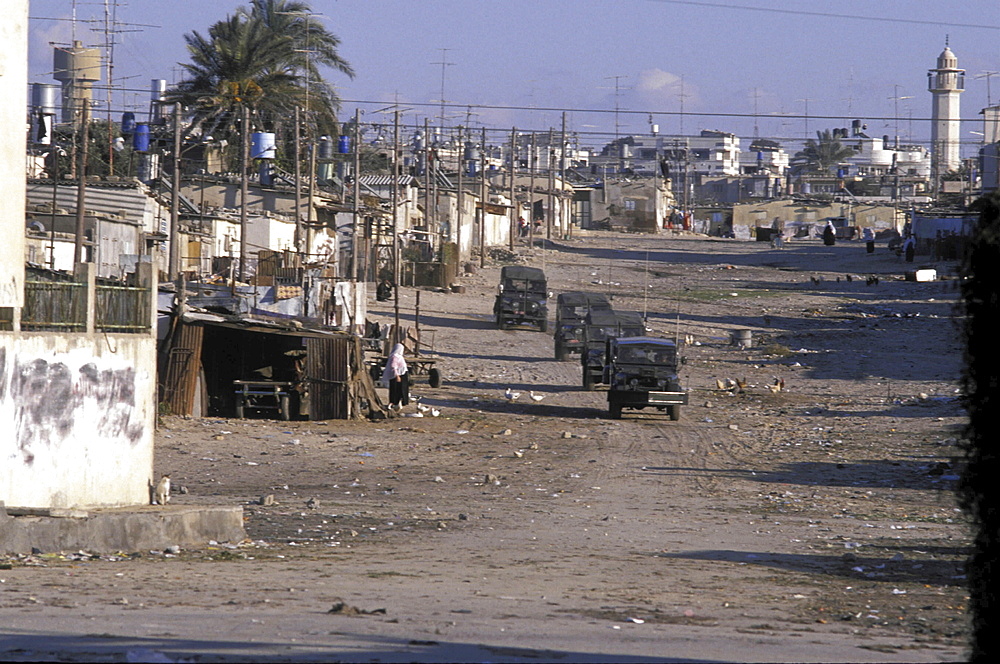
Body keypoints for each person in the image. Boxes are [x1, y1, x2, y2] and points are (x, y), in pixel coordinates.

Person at [382, 343, 409, 410]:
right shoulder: (395, 356)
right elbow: (393, 367)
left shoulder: (399, 356)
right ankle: (394, 403)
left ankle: (401, 402)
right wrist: (397, 375)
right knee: (395, 389)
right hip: (397, 375)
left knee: (402, 389)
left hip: (402, 374)